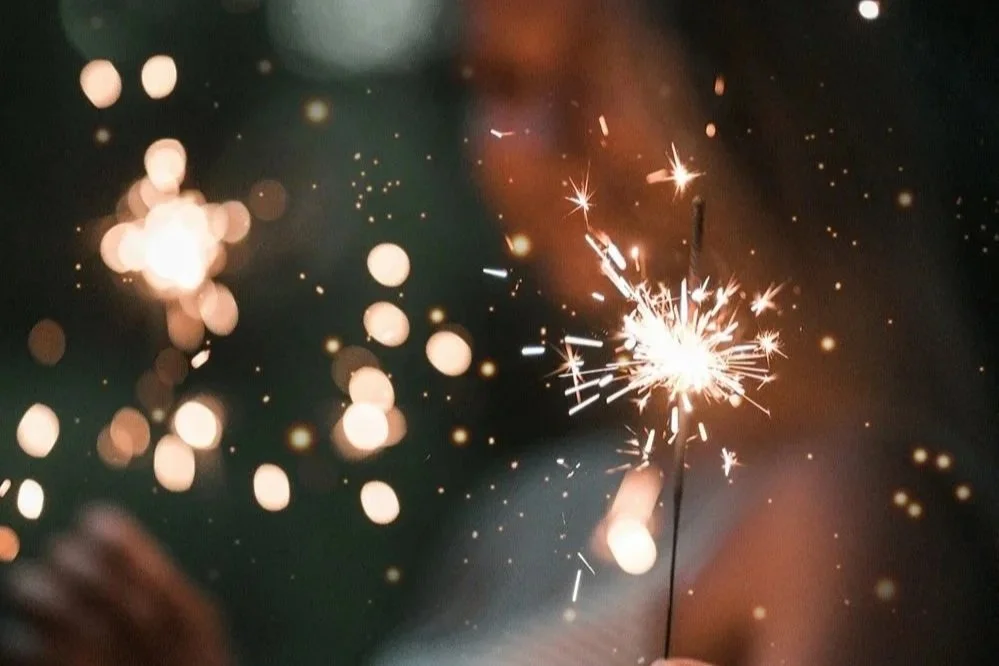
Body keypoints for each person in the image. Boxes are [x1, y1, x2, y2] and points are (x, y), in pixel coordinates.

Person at [2, 0, 997, 664]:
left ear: (740, 96)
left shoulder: (866, 505)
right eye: (499, 83)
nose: (531, 146)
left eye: (596, 76)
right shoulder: (518, 521)